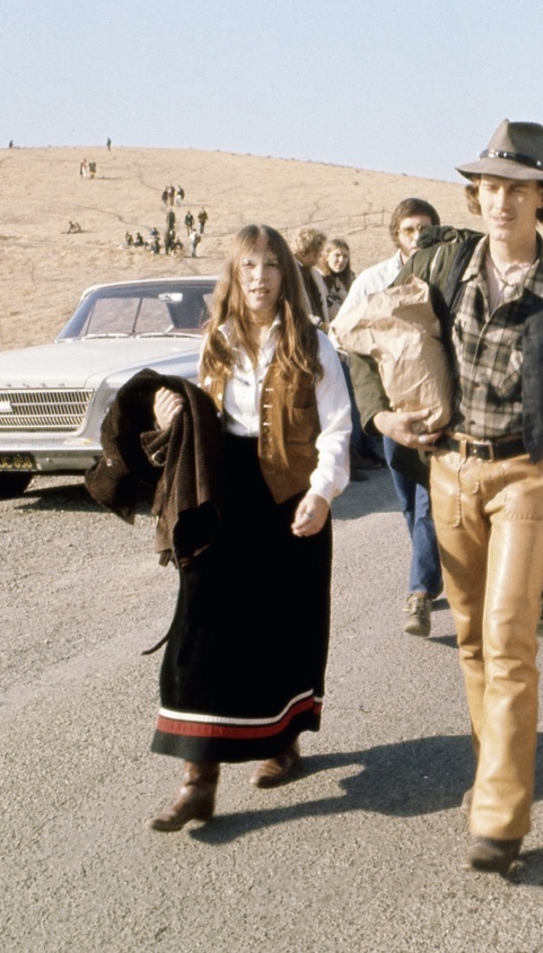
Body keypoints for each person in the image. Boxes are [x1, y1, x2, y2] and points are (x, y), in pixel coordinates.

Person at [350, 119, 543, 873]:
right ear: (477, 196)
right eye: (490, 188)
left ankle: (499, 818)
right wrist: (380, 416)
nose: (501, 202)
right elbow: (358, 332)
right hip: (451, 472)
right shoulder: (442, 265)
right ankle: (493, 768)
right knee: (470, 639)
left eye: (517, 190)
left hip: (528, 475)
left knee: (508, 639)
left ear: (542, 198)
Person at [140, 224, 351, 832]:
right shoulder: (216, 340)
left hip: (290, 496)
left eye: (271, 265)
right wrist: (170, 412)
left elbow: (338, 427)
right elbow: (198, 413)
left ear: (286, 274)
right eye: (248, 266)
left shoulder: (312, 344)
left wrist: (321, 493)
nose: (260, 277)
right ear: (234, 276)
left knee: (284, 623)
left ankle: (282, 740)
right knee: (201, 625)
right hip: (224, 496)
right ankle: (197, 782)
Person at [333, 198, 444, 635]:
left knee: (429, 502)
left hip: (438, 409)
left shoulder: (448, 275)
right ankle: (433, 567)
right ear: (396, 234)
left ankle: (420, 591)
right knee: (409, 501)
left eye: (425, 228)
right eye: (409, 230)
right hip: (393, 412)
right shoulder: (373, 280)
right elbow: (343, 333)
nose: (418, 237)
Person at [292, 227, 330, 324]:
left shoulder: (314, 274)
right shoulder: (289, 273)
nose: (321, 256)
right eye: (320, 251)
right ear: (312, 252)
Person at [320, 238, 355, 319]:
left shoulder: (351, 277)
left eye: (345, 256)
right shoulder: (319, 278)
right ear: (326, 257)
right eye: (337, 255)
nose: (341, 260)